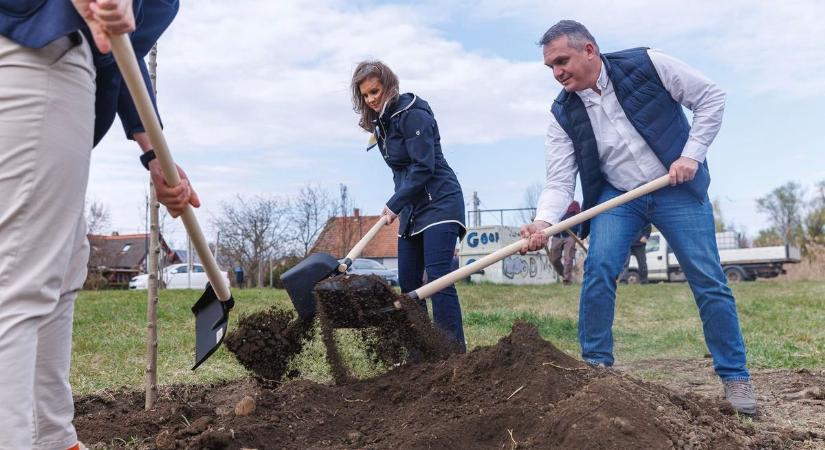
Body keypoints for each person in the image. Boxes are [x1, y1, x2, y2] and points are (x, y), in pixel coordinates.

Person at [519, 20, 756, 414]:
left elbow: (711, 97)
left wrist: (691, 154)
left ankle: (735, 376)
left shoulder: (648, 64)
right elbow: (560, 180)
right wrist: (544, 222)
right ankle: (596, 369)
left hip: (675, 184)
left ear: (589, 50)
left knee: (707, 276)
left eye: (562, 61)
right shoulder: (562, 113)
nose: (557, 72)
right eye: (551, 67)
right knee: (599, 268)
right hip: (618, 195)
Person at [0, 1, 198, 448]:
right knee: (18, 281)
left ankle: (53, 437)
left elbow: (125, 59)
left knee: (63, 269)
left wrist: (155, 153)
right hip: (40, 50)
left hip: (54, 57)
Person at [350, 61, 467, 352]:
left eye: (375, 91)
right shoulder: (383, 124)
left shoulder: (412, 113)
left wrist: (394, 203)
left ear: (389, 85)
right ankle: (419, 355)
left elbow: (423, 167)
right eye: (365, 95)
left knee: (438, 279)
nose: (371, 99)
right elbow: (400, 173)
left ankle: (452, 353)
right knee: (409, 284)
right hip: (412, 211)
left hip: (439, 202)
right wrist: (400, 205)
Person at [549, 200, 581, 284]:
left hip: (569, 235)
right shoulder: (554, 204)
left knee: (568, 258)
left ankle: (567, 280)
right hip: (556, 235)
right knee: (554, 259)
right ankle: (564, 275)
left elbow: (579, 218)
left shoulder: (574, 204)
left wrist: (574, 229)